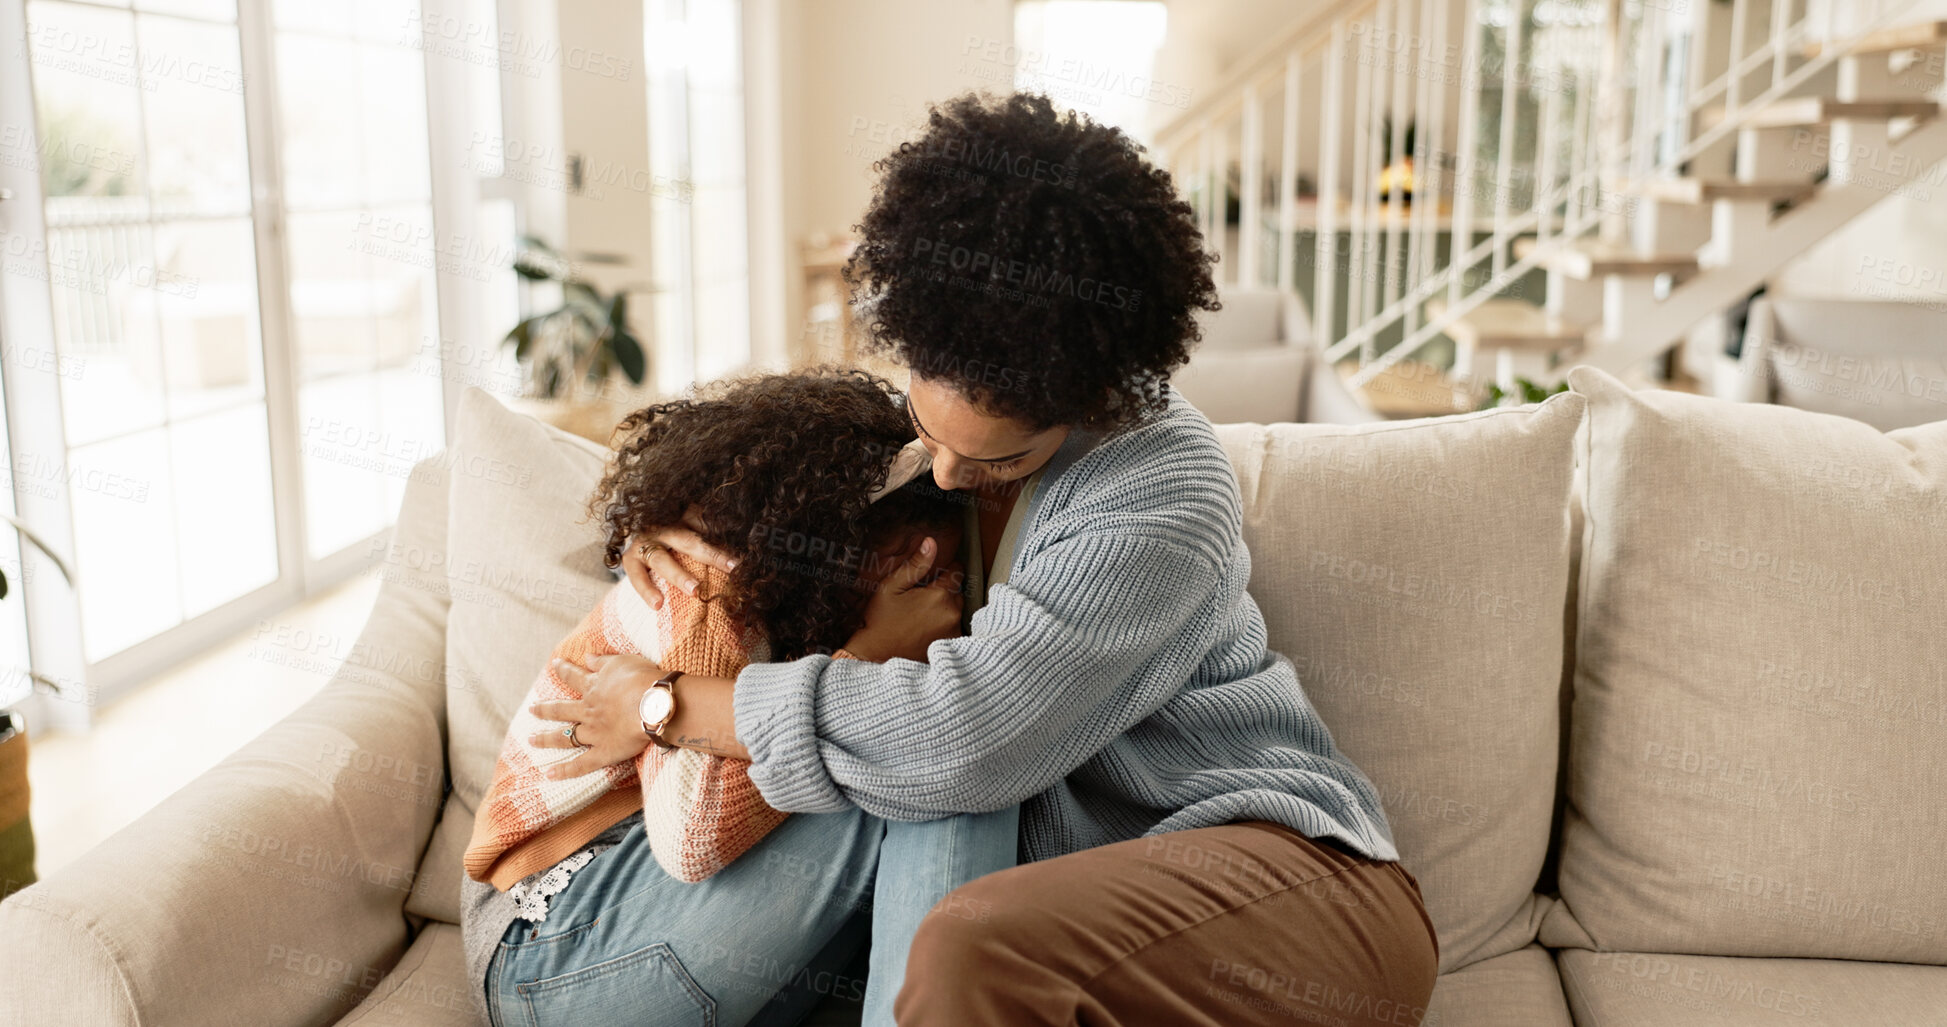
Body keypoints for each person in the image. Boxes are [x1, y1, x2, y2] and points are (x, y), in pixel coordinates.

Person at [536, 91, 1440, 1026]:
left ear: (1089, 397)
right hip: (1064, 934)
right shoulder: (928, 443)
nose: (947, 473)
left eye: (1001, 456)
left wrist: (672, 705)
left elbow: (967, 740)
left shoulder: (1164, 484)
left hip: (1290, 894)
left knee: (968, 939)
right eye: (928, 427)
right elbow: (749, 491)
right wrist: (671, 526)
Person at [460, 369, 1018, 1027]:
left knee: (932, 732)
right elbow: (690, 840)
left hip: (657, 922)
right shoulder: (705, 585)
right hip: (551, 938)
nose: (940, 593)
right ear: (842, 534)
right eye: (920, 568)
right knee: (921, 741)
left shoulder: (796, 585)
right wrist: (866, 656)